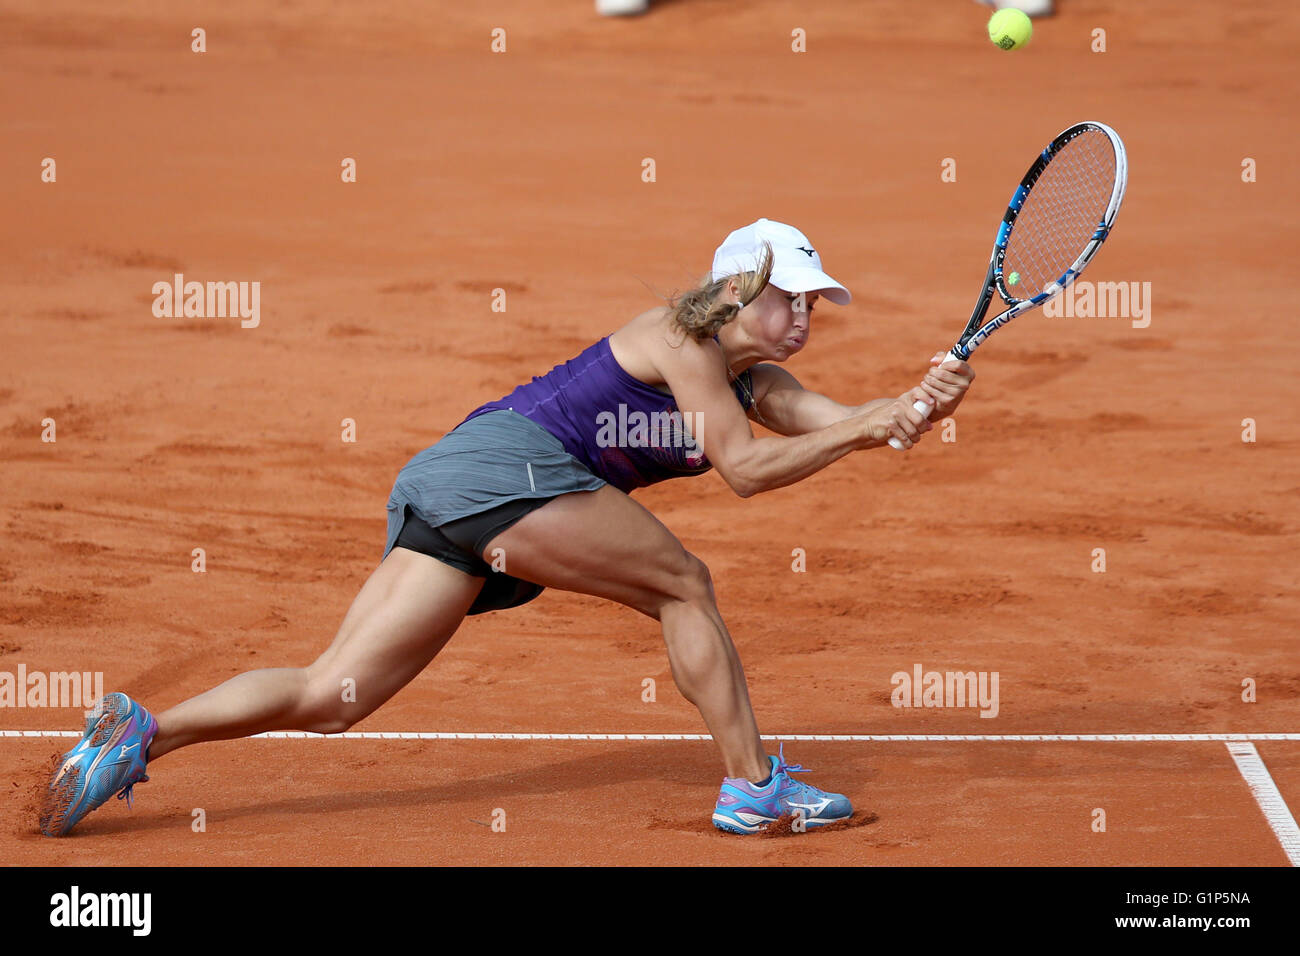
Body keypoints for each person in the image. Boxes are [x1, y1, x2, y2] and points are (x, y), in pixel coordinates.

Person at [39, 218, 975, 837]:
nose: (806, 316)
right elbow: (744, 470)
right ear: (737, 287)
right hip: (505, 473)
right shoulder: (684, 339)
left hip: (456, 482)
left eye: (814, 304)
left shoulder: (756, 381)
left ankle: (140, 734)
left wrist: (910, 407)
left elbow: (831, 423)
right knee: (683, 581)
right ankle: (752, 786)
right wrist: (866, 426)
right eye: (792, 297)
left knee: (337, 695)